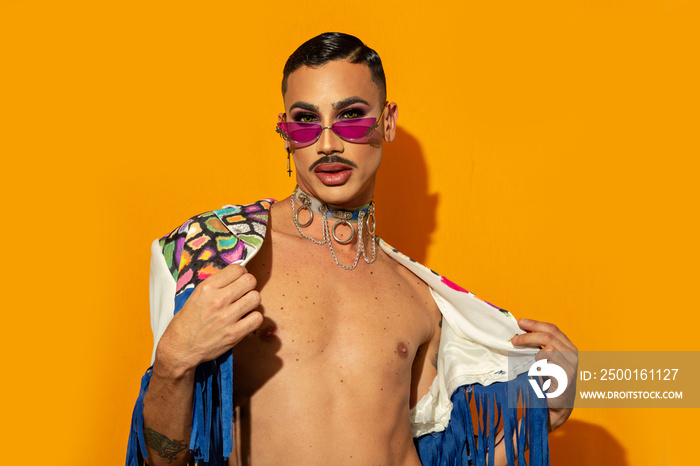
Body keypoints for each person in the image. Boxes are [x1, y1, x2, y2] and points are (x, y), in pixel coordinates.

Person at [127, 32, 578, 466]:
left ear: (387, 121)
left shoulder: (421, 296)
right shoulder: (221, 253)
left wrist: (550, 411)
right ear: (285, 133)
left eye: (351, 116)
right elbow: (164, 459)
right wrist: (172, 362)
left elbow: (444, 456)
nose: (327, 143)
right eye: (305, 121)